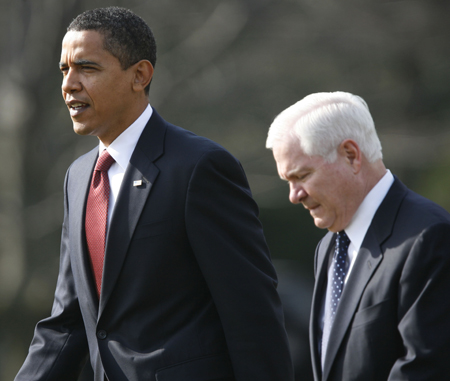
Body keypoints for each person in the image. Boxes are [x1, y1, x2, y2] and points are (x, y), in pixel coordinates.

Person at [16, 7, 294, 381]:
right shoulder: (78, 177)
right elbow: (68, 323)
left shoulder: (200, 167)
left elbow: (251, 313)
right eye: (65, 70)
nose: (69, 84)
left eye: (87, 68)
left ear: (140, 75)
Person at [266, 91, 450, 380]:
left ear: (351, 155)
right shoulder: (330, 246)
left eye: (301, 176)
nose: (294, 196)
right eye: (288, 181)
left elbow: (425, 368)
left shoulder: (428, 237)